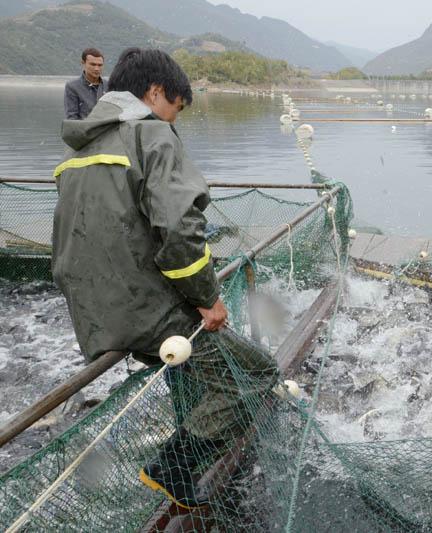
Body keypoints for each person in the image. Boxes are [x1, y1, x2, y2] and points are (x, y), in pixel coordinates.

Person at [52, 48, 273, 510]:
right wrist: (209, 299)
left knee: (193, 369)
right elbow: (177, 232)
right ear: (154, 94)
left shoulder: (81, 148)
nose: (174, 122)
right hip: (146, 314)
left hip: (93, 318)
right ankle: (172, 465)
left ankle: (181, 438)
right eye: (175, 109)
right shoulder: (151, 135)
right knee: (255, 372)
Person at [64, 48, 106, 119]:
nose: (97, 69)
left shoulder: (109, 85)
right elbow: (72, 117)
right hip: (84, 129)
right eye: (93, 64)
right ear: (83, 63)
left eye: (100, 65)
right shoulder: (72, 87)